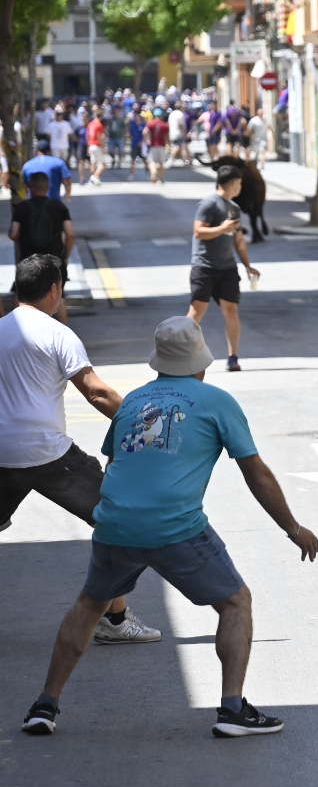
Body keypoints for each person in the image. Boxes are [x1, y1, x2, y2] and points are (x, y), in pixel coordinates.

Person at [20, 316, 318, 738]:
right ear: (201, 361)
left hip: (116, 523)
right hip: (176, 527)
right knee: (235, 603)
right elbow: (257, 473)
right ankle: (233, 710)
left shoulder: (134, 403)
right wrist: (293, 528)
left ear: (158, 361)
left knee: (90, 606)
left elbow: (116, 463)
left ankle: (44, 706)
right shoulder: (216, 401)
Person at [0, 256, 161, 649]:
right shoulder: (57, 334)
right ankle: (116, 618)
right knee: (117, 521)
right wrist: (144, 426)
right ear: (54, 289)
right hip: (49, 454)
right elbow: (97, 391)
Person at [188, 166, 259, 371]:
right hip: (204, 265)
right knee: (196, 311)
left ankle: (233, 357)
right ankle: (184, 355)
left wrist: (248, 265)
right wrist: (222, 229)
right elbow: (198, 232)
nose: (240, 187)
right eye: (239, 183)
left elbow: (238, 241)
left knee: (231, 309)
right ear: (231, 183)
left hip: (227, 267)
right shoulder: (208, 204)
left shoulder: (234, 209)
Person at [9, 172, 75, 319]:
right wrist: (65, 256)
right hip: (54, 259)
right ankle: (62, 336)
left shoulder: (22, 207)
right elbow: (70, 234)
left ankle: (18, 329)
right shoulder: (58, 206)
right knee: (59, 299)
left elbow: (14, 233)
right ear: (49, 186)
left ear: (29, 187)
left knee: (21, 296)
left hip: (28, 259)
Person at [144, 112, 170, 184]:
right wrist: (168, 145)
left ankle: (153, 172)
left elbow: (145, 132)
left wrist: (147, 140)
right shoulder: (165, 125)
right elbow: (167, 137)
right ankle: (161, 177)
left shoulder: (150, 123)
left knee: (151, 162)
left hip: (153, 146)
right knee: (162, 163)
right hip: (162, 146)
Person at [84, 108, 107, 186]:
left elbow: (88, 136)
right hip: (97, 146)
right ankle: (94, 177)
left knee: (93, 163)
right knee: (103, 164)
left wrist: (88, 145)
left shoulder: (91, 124)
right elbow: (100, 137)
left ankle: (93, 180)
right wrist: (103, 147)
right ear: (101, 116)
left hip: (91, 145)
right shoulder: (99, 125)